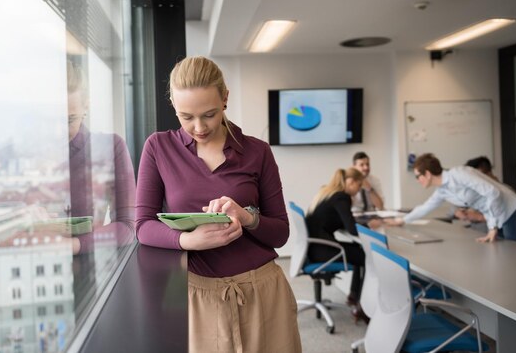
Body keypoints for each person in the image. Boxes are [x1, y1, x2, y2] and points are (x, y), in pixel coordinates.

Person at [134, 56, 301, 352]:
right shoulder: (158, 147)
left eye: (209, 114)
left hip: (262, 289)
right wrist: (187, 240)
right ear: (173, 105)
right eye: (186, 117)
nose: (199, 127)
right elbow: (143, 227)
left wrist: (248, 217)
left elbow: (281, 233)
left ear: (225, 99)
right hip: (194, 294)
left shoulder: (257, 152)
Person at [65, 62, 136, 253]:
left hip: (94, 271)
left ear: (86, 105)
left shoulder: (111, 147)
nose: (59, 130)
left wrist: (71, 246)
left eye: (69, 120)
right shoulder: (31, 154)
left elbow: (129, 226)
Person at [388, 153, 516, 243]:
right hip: (495, 216)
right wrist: (401, 221)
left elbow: (493, 192)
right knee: (503, 257)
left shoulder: (459, 174)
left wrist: (492, 226)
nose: (417, 180)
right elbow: (425, 207)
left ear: (428, 174)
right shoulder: (442, 191)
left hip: (511, 211)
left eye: (418, 176)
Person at [305, 167, 368, 323]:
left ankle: (354, 296)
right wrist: (370, 225)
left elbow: (335, 220)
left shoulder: (327, 193)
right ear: (351, 182)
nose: (358, 190)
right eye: (359, 186)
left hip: (312, 249)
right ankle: (364, 306)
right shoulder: (342, 197)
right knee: (366, 255)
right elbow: (353, 230)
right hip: (323, 250)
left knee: (359, 251)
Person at [453, 156, 497, 226]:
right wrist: (458, 212)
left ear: (489, 174)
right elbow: (456, 207)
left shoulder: (500, 192)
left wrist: (479, 217)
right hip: (474, 232)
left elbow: (504, 217)